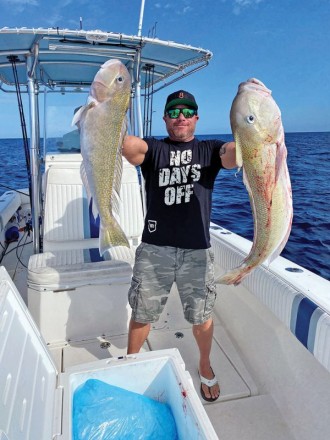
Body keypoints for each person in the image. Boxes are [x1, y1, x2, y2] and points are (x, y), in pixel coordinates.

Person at [122, 90, 236, 402]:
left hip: (196, 250)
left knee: (201, 316)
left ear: (197, 117)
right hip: (155, 247)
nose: (180, 116)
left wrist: (252, 133)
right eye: (174, 112)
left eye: (187, 111)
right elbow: (130, 148)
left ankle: (204, 364)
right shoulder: (155, 147)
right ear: (165, 118)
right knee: (142, 313)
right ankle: (131, 364)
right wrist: (111, 112)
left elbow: (233, 155)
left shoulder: (210, 149)